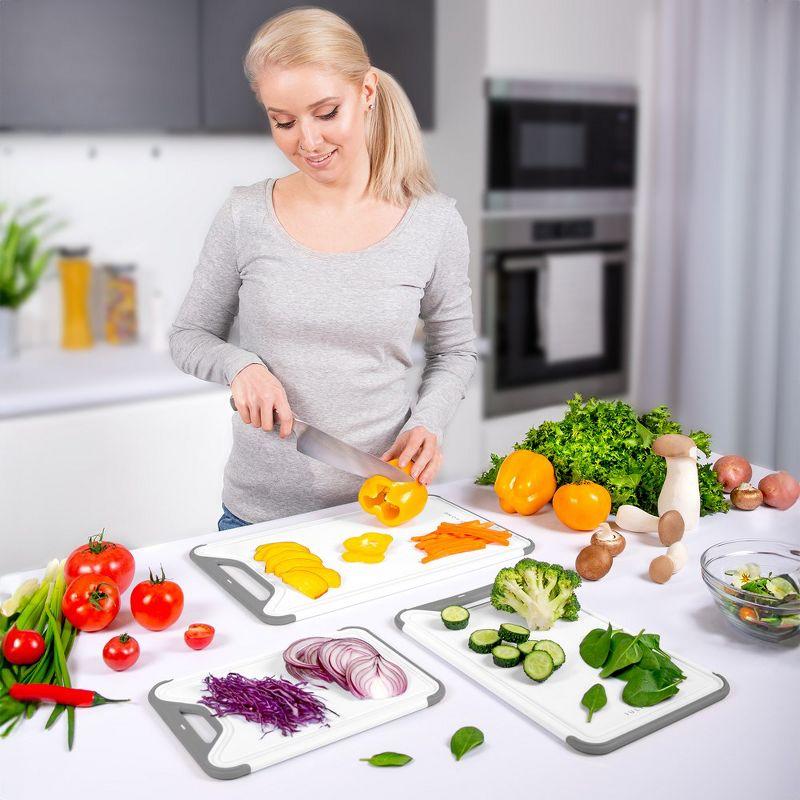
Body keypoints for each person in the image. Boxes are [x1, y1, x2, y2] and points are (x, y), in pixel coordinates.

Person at [170, 7, 477, 532]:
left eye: (326, 112)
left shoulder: (434, 223)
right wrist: (241, 367)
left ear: (368, 92)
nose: (307, 142)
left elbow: (455, 352)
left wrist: (429, 423)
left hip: (381, 513)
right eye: (283, 122)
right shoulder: (245, 214)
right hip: (255, 519)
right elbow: (188, 335)